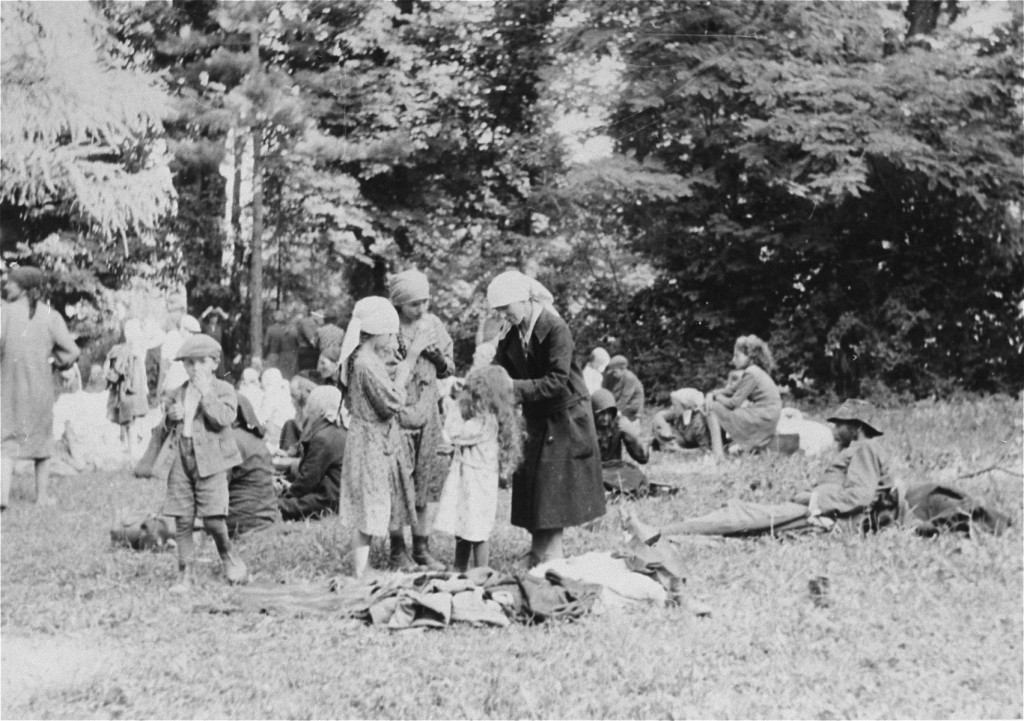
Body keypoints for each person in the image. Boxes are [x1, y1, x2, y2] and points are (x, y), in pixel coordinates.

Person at [622, 399, 893, 539]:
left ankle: (659, 532)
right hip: (822, 511)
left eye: (840, 424)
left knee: (744, 516)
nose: (834, 428)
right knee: (744, 527)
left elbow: (859, 497)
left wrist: (812, 499)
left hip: (827, 516)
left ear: (857, 427)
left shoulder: (866, 449)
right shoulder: (859, 449)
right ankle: (663, 533)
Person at [488, 269, 605, 566]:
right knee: (533, 487)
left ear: (525, 300)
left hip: (565, 415)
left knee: (553, 489)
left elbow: (557, 380)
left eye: (506, 307)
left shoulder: (555, 328)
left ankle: (553, 555)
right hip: (537, 415)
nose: (503, 314)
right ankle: (538, 550)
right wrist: (481, 382)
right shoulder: (511, 333)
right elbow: (497, 368)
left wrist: (511, 387)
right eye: (498, 310)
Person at [145, 334, 247, 592]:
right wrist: (171, 417)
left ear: (214, 363)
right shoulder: (178, 392)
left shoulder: (224, 390)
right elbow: (162, 428)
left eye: (201, 362)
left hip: (212, 461)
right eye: (189, 363)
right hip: (181, 456)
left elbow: (223, 419)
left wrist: (206, 394)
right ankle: (185, 573)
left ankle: (228, 556)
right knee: (182, 518)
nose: (195, 368)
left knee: (213, 518)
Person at [339, 296, 429, 578]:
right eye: (390, 333)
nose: (392, 339)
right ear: (376, 332)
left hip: (371, 438)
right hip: (371, 441)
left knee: (371, 501)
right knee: (369, 502)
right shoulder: (366, 363)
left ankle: (363, 566)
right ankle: (362, 569)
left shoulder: (363, 359)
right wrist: (411, 360)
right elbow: (390, 402)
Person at [389, 269, 455, 570]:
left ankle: (421, 546)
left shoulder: (433, 324)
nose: (421, 309)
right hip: (398, 412)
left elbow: (448, 369)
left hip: (428, 410)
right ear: (399, 303)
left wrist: (437, 357)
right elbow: (385, 372)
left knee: (424, 479)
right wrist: (412, 354)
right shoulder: (388, 327)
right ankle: (396, 547)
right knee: (398, 480)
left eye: (425, 302)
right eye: (414, 304)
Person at [0, 266, 81, 508]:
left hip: (8, 386)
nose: (5, 286)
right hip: (40, 388)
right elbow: (72, 351)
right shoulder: (50, 316)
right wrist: (53, 361)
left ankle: (2, 495)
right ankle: (42, 497)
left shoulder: (3, 312)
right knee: (42, 441)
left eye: (10, 282)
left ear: (23, 288)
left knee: (4, 438)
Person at [434, 365, 523, 572]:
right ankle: (460, 567)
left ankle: (480, 570)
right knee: (464, 526)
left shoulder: (484, 421)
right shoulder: (486, 417)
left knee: (477, 529)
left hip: (476, 481)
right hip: (472, 478)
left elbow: (454, 432)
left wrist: (455, 404)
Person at [275, 385, 346, 521]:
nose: (308, 411)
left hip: (326, 501)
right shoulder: (338, 430)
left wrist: (285, 497)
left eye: (310, 406)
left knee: (271, 506)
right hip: (337, 497)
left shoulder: (323, 437)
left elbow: (306, 481)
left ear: (319, 409)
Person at [706, 335, 782, 457]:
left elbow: (733, 403)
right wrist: (713, 393)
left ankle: (718, 455)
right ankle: (724, 448)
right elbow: (731, 390)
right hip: (767, 416)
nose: (733, 359)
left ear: (750, 357)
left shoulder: (751, 372)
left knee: (713, 408)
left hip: (763, 418)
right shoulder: (755, 371)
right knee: (716, 405)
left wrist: (716, 398)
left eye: (737, 356)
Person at [227, 395, 280, 536]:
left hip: (241, 522)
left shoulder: (230, 439)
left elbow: (214, 490)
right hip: (265, 519)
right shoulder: (254, 438)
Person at [591, 389, 649, 495]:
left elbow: (642, 458)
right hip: (595, 471)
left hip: (615, 469)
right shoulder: (587, 428)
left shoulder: (619, 424)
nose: (606, 417)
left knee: (638, 476)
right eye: (601, 413)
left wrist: (633, 435)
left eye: (609, 413)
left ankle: (618, 489)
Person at [652, 388, 713, 453]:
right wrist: (664, 427)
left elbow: (705, 449)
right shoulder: (678, 413)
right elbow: (659, 415)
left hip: (689, 446)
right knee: (658, 428)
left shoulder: (698, 423)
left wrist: (680, 450)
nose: (672, 407)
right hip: (679, 439)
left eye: (675, 405)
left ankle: (668, 447)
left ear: (686, 406)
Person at [258, 367, 295, 449]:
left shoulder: (271, 394)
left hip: (275, 433)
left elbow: (264, 418)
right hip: (289, 434)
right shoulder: (287, 392)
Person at [601, 355, 645, 421]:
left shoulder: (630, 378)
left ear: (622, 369)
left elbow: (624, 399)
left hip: (632, 407)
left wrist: (611, 411)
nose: (613, 374)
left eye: (615, 371)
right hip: (620, 405)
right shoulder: (614, 377)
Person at [263, 309, 299, 379]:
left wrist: (264, 355)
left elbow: (266, 344)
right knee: (286, 376)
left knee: (272, 376)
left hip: (272, 354)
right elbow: (296, 342)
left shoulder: (270, 329)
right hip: (286, 355)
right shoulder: (290, 329)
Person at [295, 306, 321, 373]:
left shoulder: (316, 323)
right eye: (320, 314)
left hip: (312, 352)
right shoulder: (305, 322)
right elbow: (312, 340)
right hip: (306, 352)